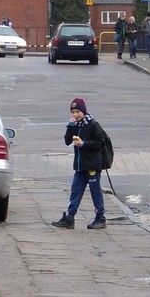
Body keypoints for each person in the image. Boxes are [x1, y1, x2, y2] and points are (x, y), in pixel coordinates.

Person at [51, 97, 109, 230]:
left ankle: (100, 218)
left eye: (78, 111)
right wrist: (70, 126)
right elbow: (67, 141)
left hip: (93, 165)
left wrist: (84, 144)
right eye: (73, 112)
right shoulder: (75, 125)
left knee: (95, 191)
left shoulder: (93, 124)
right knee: (75, 190)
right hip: (80, 165)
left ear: (84, 111)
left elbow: (101, 142)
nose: (75, 114)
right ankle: (70, 218)